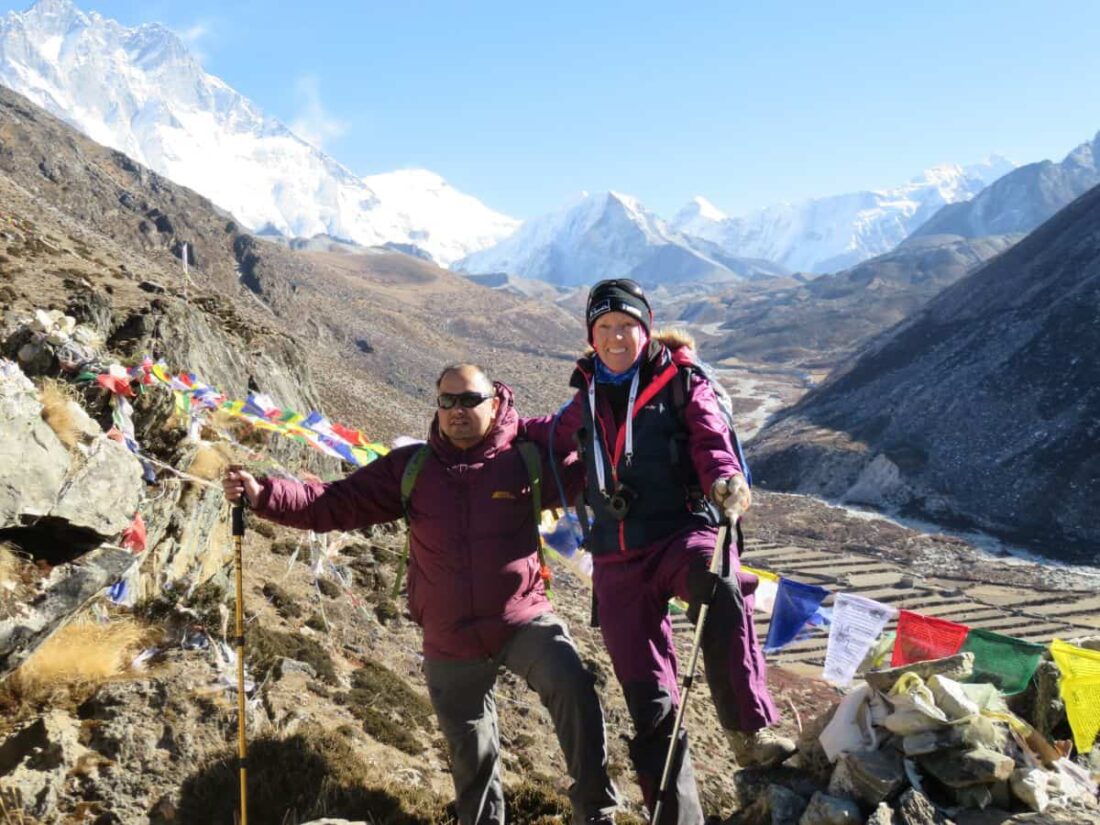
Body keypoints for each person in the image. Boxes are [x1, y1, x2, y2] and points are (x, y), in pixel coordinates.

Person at [222, 364, 619, 825]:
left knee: (572, 687)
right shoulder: (412, 468)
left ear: (495, 403)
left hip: (521, 617)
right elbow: (333, 503)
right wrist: (263, 494)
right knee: (470, 757)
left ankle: (594, 814)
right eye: (447, 401)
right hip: (449, 637)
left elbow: (593, 471)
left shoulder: (525, 460)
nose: (457, 411)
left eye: (470, 400)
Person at [521, 280, 794, 825]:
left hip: (679, 532)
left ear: (645, 329)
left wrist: (726, 480)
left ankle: (749, 729)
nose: (617, 337)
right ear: (591, 337)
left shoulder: (682, 381)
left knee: (715, 584)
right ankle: (674, 817)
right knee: (649, 703)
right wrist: (491, 421)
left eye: (627, 326)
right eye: (605, 328)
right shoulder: (588, 392)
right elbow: (548, 434)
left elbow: (710, 439)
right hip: (616, 558)